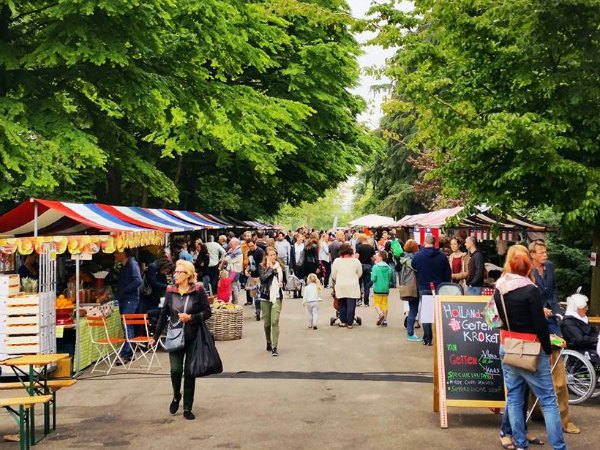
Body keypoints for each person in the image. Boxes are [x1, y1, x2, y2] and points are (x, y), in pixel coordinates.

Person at [494, 253, 567, 450]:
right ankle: (559, 447)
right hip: (531, 350)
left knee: (515, 399)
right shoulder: (530, 290)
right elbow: (540, 324)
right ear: (527, 268)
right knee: (549, 401)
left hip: (508, 347)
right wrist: (546, 347)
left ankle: (520, 444)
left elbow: (498, 319)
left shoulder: (499, 289)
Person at [529, 239, 580, 435]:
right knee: (534, 366)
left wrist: (558, 312)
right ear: (532, 254)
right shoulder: (527, 270)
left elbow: (553, 291)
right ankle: (537, 412)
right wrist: (539, 310)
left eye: (546, 251)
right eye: (541, 252)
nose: (545, 254)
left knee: (557, 368)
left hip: (552, 321)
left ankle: (563, 420)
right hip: (535, 322)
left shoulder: (549, 267)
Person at [150, 260, 211, 420]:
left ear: (188, 275)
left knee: (190, 372)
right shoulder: (170, 291)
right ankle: (177, 395)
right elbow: (164, 315)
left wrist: (191, 317)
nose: (175, 275)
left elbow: (207, 312)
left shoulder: (198, 290)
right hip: (175, 336)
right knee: (176, 370)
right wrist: (155, 337)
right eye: (175, 272)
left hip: (193, 335)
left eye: (179, 272)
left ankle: (187, 407)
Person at [497, 245, 544, 449]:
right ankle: (507, 432)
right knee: (516, 393)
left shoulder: (528, 281)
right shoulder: (505, 282)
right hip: (513, 342)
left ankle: (520, 432)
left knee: (520, 392)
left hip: (525, 342)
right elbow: (490, 315)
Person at [412, 235, 451, 346]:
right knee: (439, 313)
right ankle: (440, 337)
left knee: (427, 314)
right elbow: (448, 273)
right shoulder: (442, 257)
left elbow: (414, 267)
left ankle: (428, 338)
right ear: (435, 243)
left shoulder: (418, 256)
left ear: (424, 242)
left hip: (424, 287)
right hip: (439, 288)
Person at [114, 249, 143, 362]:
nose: (115, 255)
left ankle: (125, 353)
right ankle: (129, 352)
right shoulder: (124, 265)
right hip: (124, 299)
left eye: (117, 252)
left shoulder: (132, 264)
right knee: (127, 325)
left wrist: (125, 290)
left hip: (130, 299)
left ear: (124, 253)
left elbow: (138, 280)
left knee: (127, 325)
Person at [258, 246, 284, 356]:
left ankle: (275, 346)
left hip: (277, 296)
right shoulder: (261, 267)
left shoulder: (280, 267)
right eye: (271, 255)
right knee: (267, 323)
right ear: (267, 256)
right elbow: (263, 279)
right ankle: (268, 341)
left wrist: (282, 283)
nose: (273, 257)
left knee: (275, 321)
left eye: (275, 254)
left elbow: (284, 279)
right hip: (265, 296)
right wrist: (270, 269)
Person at [330, 243, 362, 329]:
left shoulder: (337, 261)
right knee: (351, 304)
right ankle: (350, 323)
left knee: (342, 303)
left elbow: (333, 275)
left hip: (341, 284)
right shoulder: (356, 261)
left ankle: (343, 321)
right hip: (352, 285)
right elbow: (359, 273)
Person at [561, 290, 599, 355]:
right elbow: (579, 340)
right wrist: (597, 339)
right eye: (585, 307)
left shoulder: (581, 319)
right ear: (577, 308)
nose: (587, 309)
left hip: (591, 346)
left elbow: (593, 332)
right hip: (583, 350)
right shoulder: (568, 322)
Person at [398, 240, 421, 341]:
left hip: (407, 287)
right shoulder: (410, 259)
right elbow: (416, 268)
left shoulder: (404, 257)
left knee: (412, 310)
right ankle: (410, 333)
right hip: (412, 287)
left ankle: (410, 332)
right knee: (413, 311)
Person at [371, 250, 392, 327]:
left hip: (377, 288)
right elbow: (390, 278)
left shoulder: (375, 267)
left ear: (380, 257)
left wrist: (371, 275)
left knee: (377, 303)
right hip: (386, 288)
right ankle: (385, 320)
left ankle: (380, 314)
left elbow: (373, 278)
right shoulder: (389, 267)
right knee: (385, 304)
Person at [246, 239, 265, 320]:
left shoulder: (260, 251)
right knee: (254, 294)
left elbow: (263, 263)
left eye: (252, 246)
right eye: (249, 246)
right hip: (253, 276)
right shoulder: (249, 252)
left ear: (255, 244)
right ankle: (258, 309)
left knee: (259, 294)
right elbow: (249, 264)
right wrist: (246, 270)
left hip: (259, 276)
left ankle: (258, 311)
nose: (251, 248)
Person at [355, 234, 375, 307]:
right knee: (367, 285)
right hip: (368, 266)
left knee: (359, 284)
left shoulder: (359, 247)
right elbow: (374, 258)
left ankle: (359, 300)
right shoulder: (371, 247)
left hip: (360, 266)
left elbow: (357, 257)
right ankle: (366, 302)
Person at [224, 238, 243, 304]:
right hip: (235, 270)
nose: (230, 245)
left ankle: (235, 302)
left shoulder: (236, 251)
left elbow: (227, 259)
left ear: (236, 244)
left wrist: (228, 253)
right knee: (234, 286)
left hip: (233, 271)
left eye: (231, 244)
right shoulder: (236, 250)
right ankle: (234, 301)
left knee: (233, 286)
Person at [290, 233, 305, 298]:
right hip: (295, 264)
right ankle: (295, 293)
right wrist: (291, 266)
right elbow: (291, 257)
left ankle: (300, 292)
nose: (302, 238)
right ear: (297, 238)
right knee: (295, 279)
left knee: (301, 279)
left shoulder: (303, 246)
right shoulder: (293, 246)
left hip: (302, 264)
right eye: (301, 237)